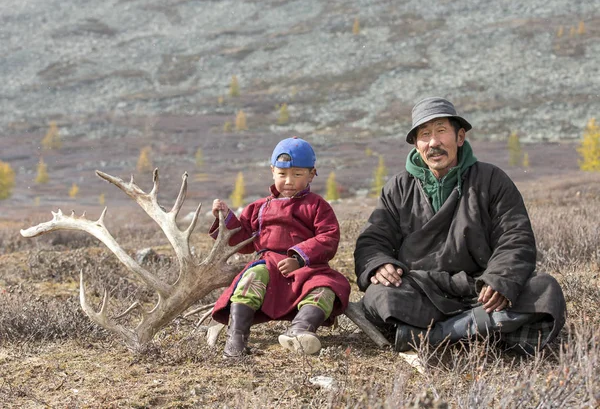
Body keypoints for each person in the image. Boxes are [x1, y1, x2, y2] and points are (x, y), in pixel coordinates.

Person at [354, 97, 566, 355]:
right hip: (421, 288)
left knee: (544, 289)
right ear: (416, 143)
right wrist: (379, 263)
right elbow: (373, 238)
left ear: (460, 137)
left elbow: (516, 237)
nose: (434, 142)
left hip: (481, 289)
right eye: (425, 134)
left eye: (441, 131)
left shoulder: (491, 180)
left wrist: (500, 279)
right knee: (380, 295)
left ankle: (433, 335)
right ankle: (479, 330)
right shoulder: (398, 188)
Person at [210, 137, 351, 358]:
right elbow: (243, 241)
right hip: (268, 266)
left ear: (311, 174)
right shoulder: (258, 208)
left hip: (308, 268)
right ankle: (236, 337)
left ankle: (301, 331)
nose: (288, 181)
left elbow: (328, 237)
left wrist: (299, 257)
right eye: (282, 174)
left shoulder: (317, 206)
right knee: (250, 277)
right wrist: (225, 218)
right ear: (272, 171)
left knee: (327, 288)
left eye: (297, 174)